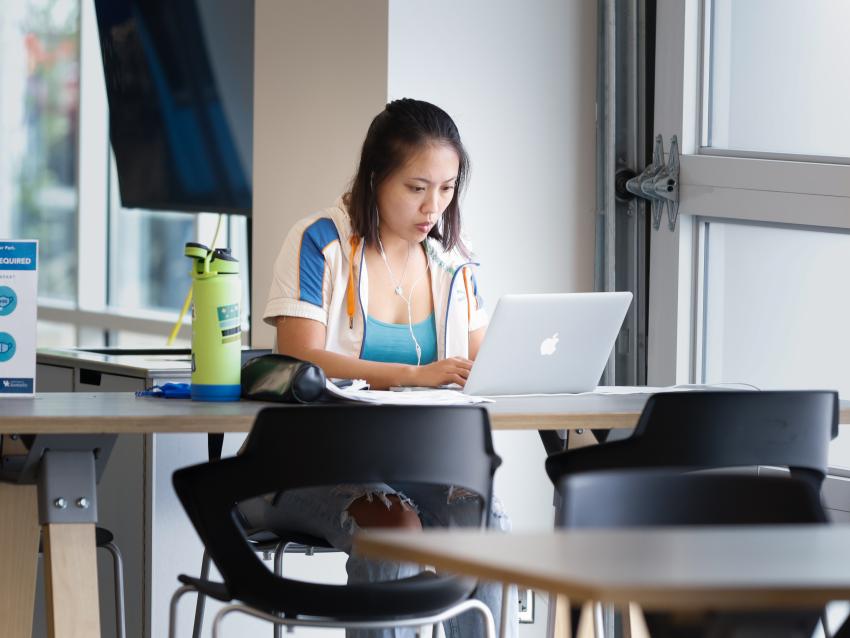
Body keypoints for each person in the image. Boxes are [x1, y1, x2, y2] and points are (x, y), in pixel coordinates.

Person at [255, 98, 517, 638]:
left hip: (414, 466)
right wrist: (414, 375)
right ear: (376, 177)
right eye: (417, 188)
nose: (433, 208)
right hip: (304, 467)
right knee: (394, 526)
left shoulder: (454, 261)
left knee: (484, 522)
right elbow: (298, 358)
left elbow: (482, 361)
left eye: (446, 189)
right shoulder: (319, 243)